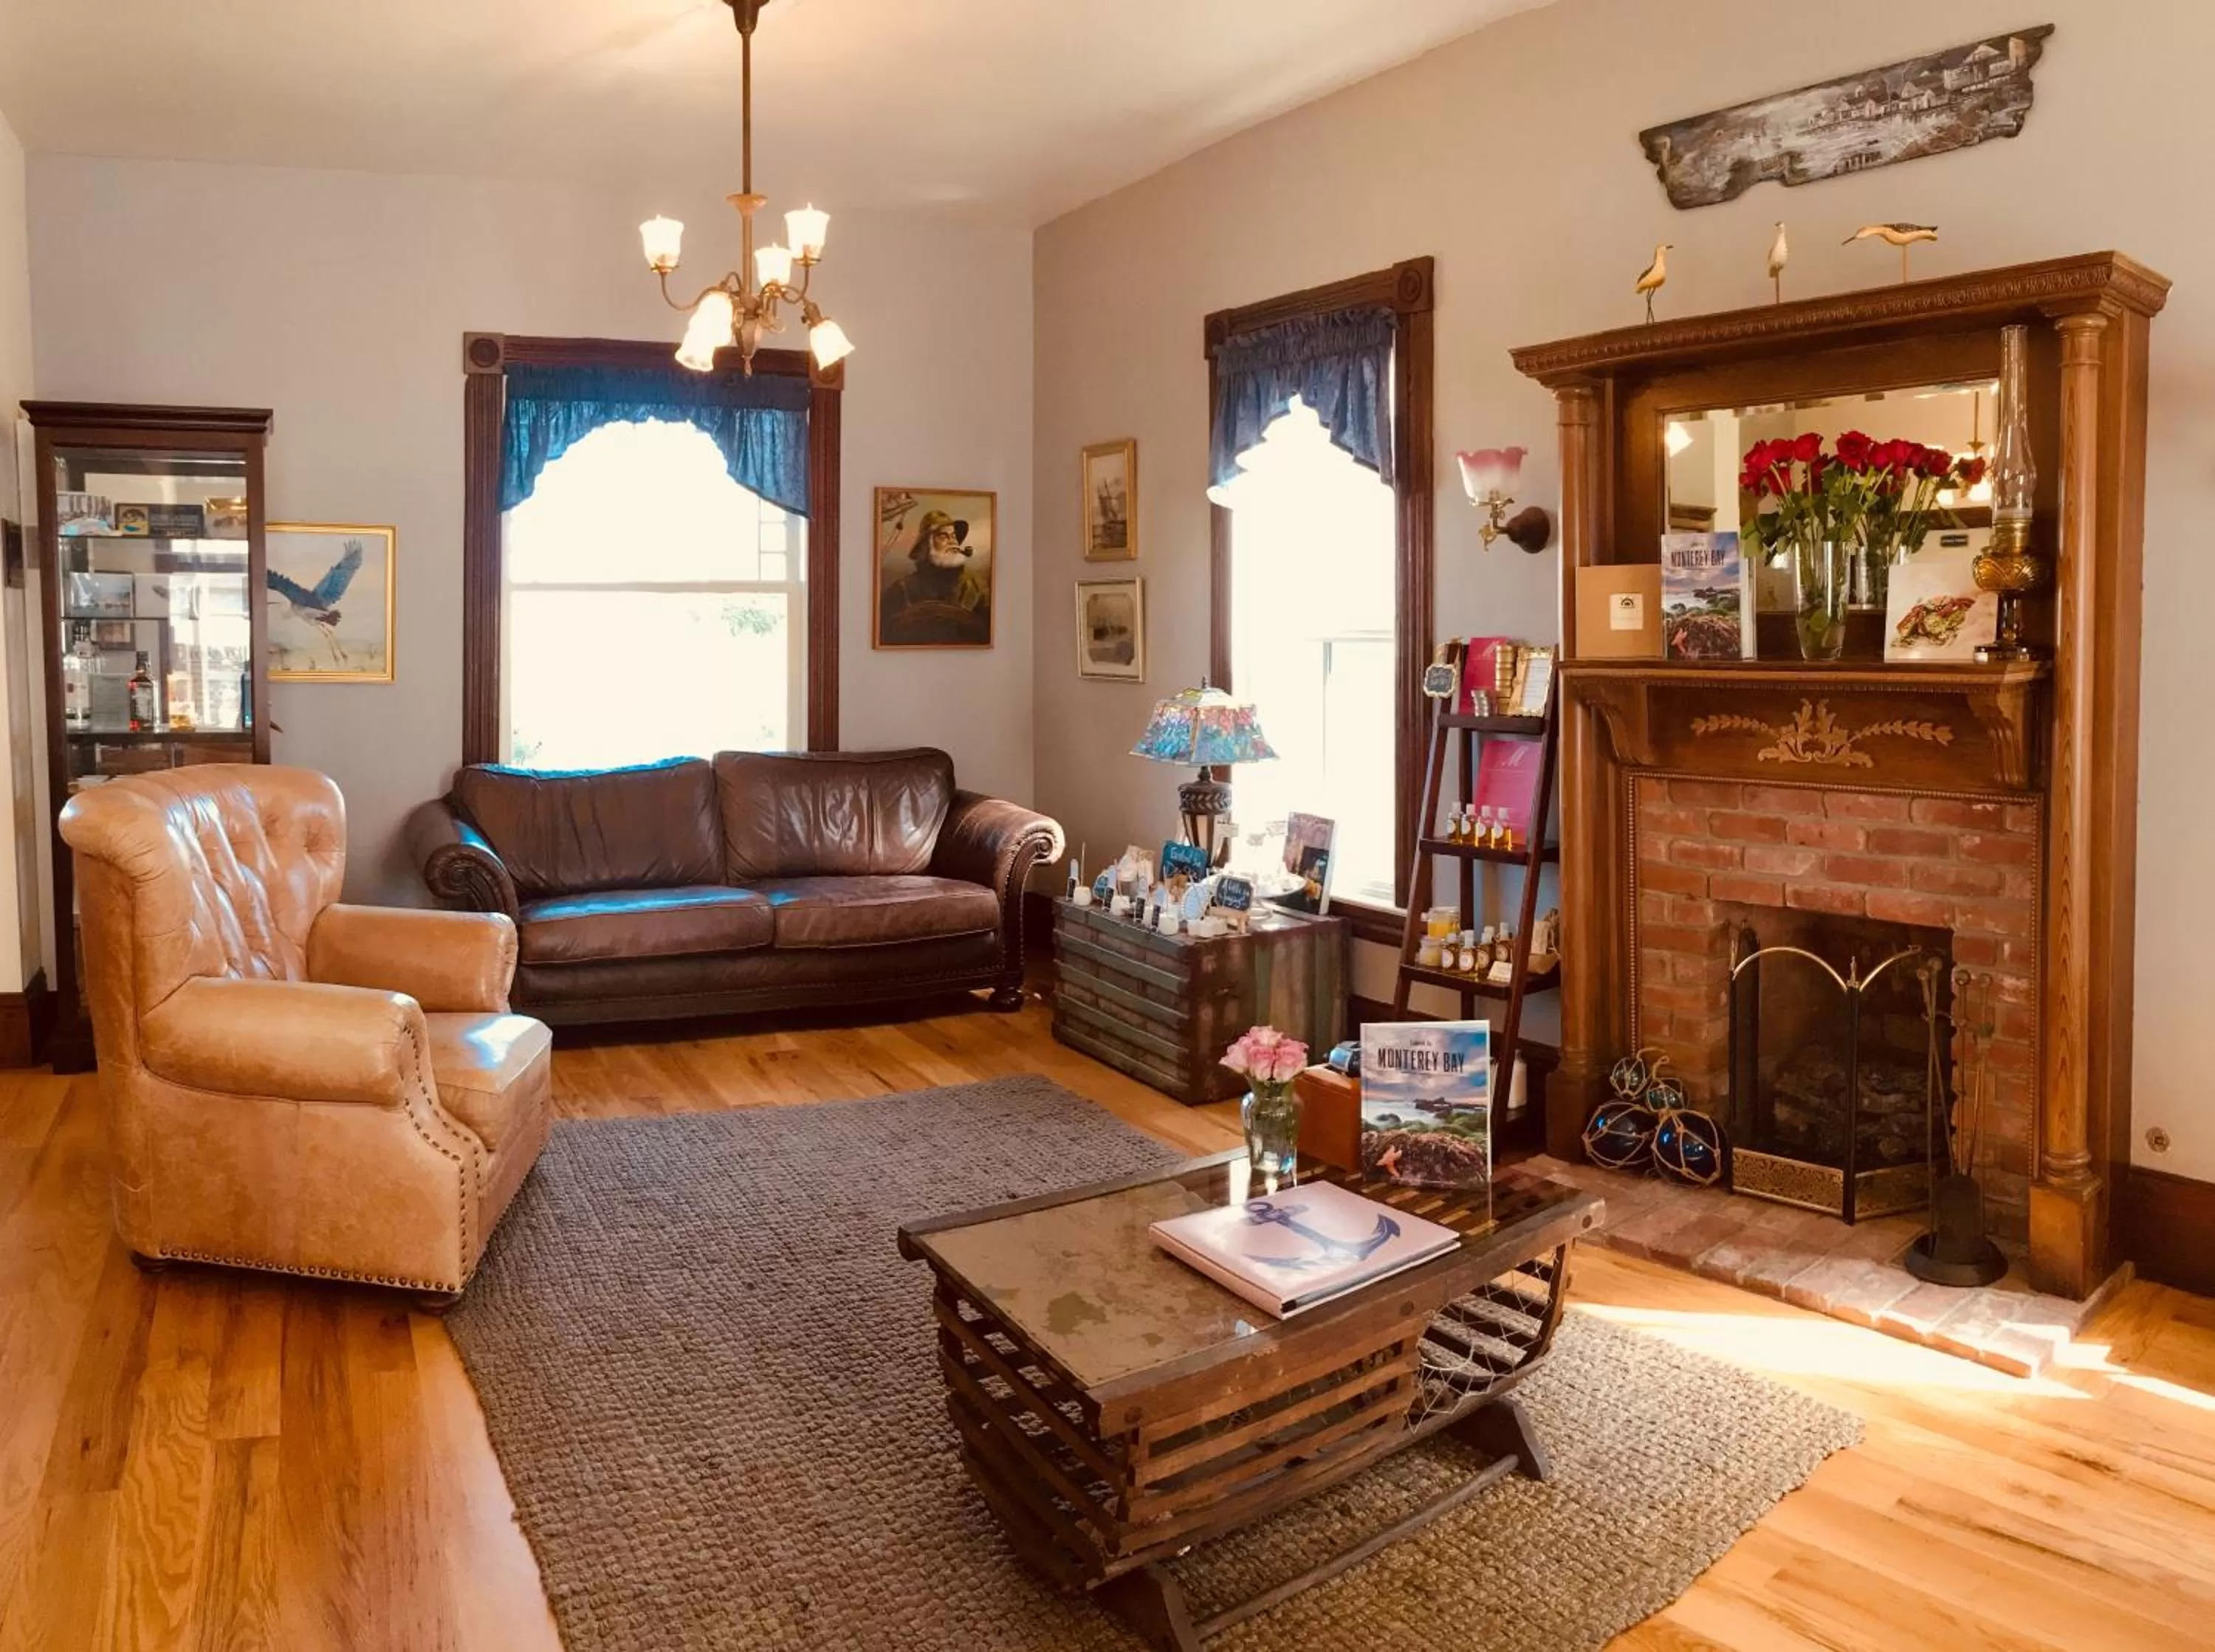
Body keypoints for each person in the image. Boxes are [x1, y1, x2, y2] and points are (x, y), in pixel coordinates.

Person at [878, 509, 991, 646]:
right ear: (926, 546)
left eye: (954, 536)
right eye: (943, 536)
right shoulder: (901, 591)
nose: (952, 542)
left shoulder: (976, 588)